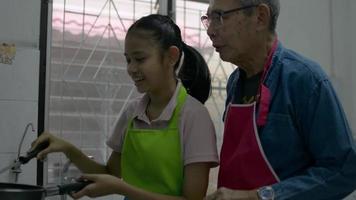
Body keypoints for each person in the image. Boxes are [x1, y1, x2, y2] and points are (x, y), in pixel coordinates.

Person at [31, 14, 219, 200]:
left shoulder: (194, 117)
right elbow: (111, 173)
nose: (131, 68)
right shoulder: (132, 113)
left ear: (171, 56)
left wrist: (123, 189)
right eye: (128, 60)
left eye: (140, 59)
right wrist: (68, 149)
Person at [201, 0, 356, 199]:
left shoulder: (304, 80)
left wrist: (259, 197)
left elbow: (344, 170)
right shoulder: (234, 82)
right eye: (208, 19)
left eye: (220, 17)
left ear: (260, 17)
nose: (210, 31)